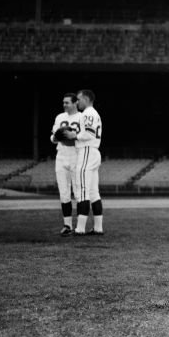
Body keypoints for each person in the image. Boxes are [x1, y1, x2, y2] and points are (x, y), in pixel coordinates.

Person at [73, 89, 105, 236]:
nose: (77, 102)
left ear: (86, 99)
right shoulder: (94, 113)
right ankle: (98, 228)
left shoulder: (88, 113)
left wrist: (72, 135)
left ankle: (80, 228)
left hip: (86, 150)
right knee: (93, 192)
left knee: (83, 190)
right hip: (93, 151)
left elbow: (87, 133)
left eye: (78, 99)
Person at [50, 92, 81, 235]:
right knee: (64, 192)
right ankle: (67, 225)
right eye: (63, 102)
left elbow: (84, 137)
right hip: (61, 154)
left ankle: (80, 226)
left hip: (76, 154)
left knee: (79, 192)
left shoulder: (81, 117)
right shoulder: (60, 117)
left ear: (75, 103)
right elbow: (52, 137)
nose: (64, 105)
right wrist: (55, 138)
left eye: (67, 102)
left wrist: (73, 136)